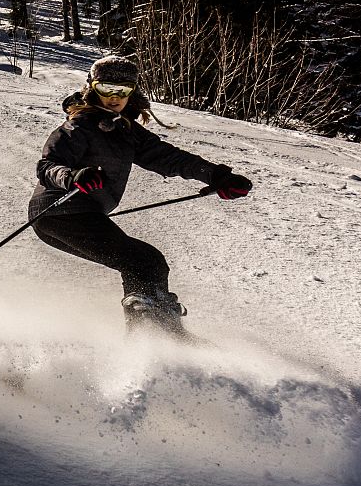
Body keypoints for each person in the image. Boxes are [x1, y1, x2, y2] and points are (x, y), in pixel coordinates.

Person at [29, 55, 252, 330]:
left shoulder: (127, 131)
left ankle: (163, 330)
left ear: (132, 92)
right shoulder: (79, 126)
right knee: (142, 261)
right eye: (105, 89)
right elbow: (47, 166)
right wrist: (73, 177)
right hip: (59, 210)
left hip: (77, 215)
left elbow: (169, 158)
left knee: (147, 261)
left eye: (121, 91)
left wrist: (216, 176)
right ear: (91, 88)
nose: (114, 97)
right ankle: (148, 335)